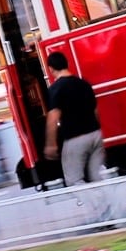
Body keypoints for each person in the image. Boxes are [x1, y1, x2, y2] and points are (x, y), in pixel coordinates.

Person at [43, 51, 105, 186]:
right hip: (95, 134)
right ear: (67, 64)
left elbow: (53, 118)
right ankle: (106, 205)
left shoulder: (55, 89)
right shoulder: (84, 83)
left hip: (75, 138)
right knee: (96, 177)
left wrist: (51, 144)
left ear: (51, 69)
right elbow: (95, 111)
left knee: (74, 180)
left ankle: (98, 207)